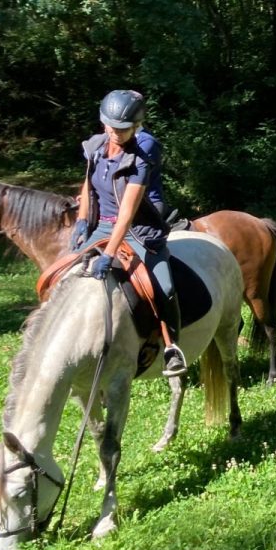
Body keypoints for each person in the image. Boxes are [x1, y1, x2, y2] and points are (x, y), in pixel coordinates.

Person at [71, 90, 187, 376]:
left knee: (165, 287)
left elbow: (127, 212)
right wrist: (82, 220)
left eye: (123, 129)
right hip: (102, 225)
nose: (115, 133)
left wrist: (109, 253)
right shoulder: (95, 146)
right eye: (111, 126)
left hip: (138, 231)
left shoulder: (141, 158)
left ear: (136, 127)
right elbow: (87, 186)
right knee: (65, 271)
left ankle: (171, 346)